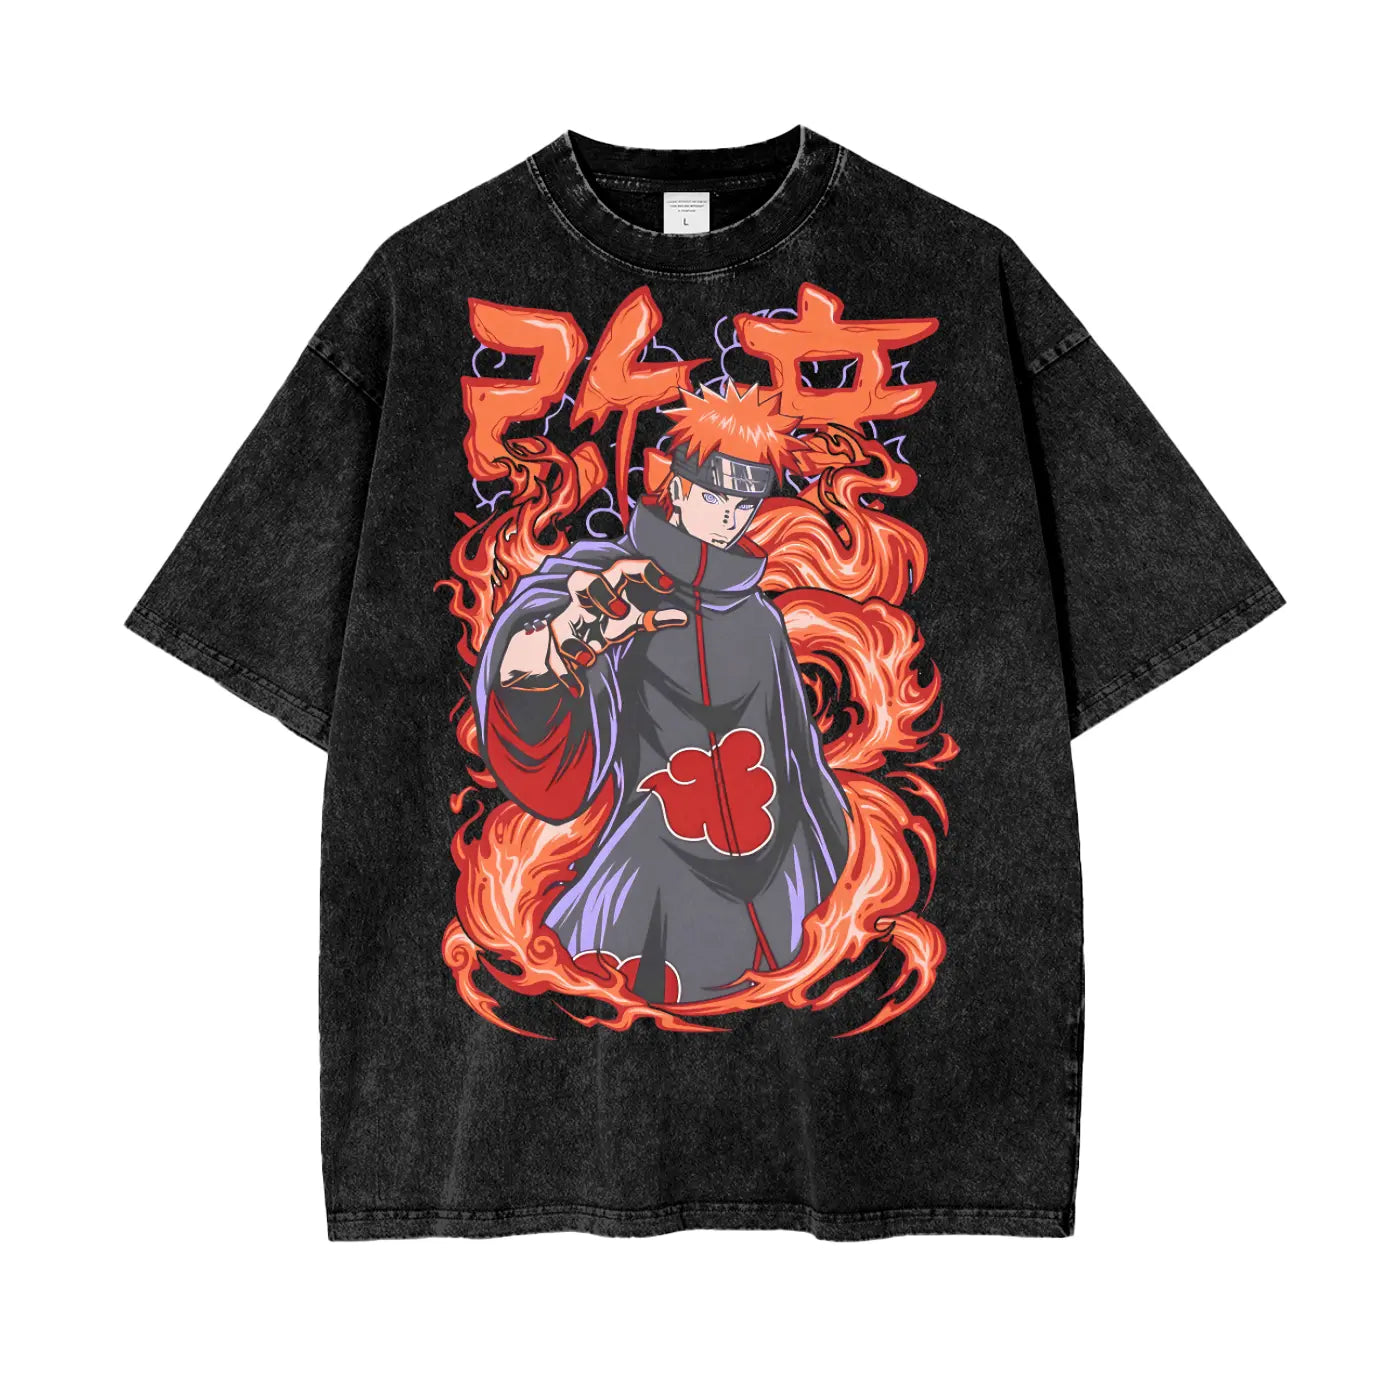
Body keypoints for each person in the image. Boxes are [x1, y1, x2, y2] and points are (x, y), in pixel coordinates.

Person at [475, 382, 849, 1004]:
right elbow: (529, 657)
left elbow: (795, 753)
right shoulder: (611, 581)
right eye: (715, 497)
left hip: (776, 867)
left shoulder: (760, 619)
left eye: (744, 504)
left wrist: (825, 845)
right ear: (676, 488)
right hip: (653, 864)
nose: (728, 518)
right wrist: (563, 643)